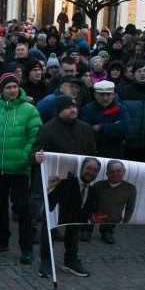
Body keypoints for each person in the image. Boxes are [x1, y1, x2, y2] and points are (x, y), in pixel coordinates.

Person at [0, 73, 41, 263]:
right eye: (8, 88)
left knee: (23, 209)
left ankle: (27, 248)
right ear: (2, 90)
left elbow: (35, 137)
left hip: (20, 169)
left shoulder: (29, 110)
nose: (12, 90)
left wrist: (24, 157)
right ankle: (1, 240)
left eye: (14, 87)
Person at [34, 98, 97, 278]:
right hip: (55, 185)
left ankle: (71, 259)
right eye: (68, 107)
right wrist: (36, 157)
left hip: (77, 185)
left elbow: (93, 155)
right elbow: (36, 152)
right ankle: (46, 260)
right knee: (50, 223)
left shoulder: (85, 129)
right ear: (60, 110)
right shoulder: (48, 129)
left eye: (74, 107)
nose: (73, 110)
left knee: (74, 223)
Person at [91, 160, 137, 244]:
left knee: (111, 221)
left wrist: (126, 221)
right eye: (112, 172)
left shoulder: (130, 188)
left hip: (113, 218)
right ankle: (86, 231)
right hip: (95, 216)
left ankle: (107, 232)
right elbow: (89, 202)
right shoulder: (98, 185)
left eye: (118, 171)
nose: (115, 174)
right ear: (107, 174)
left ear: (124, 172)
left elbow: (130, 207)